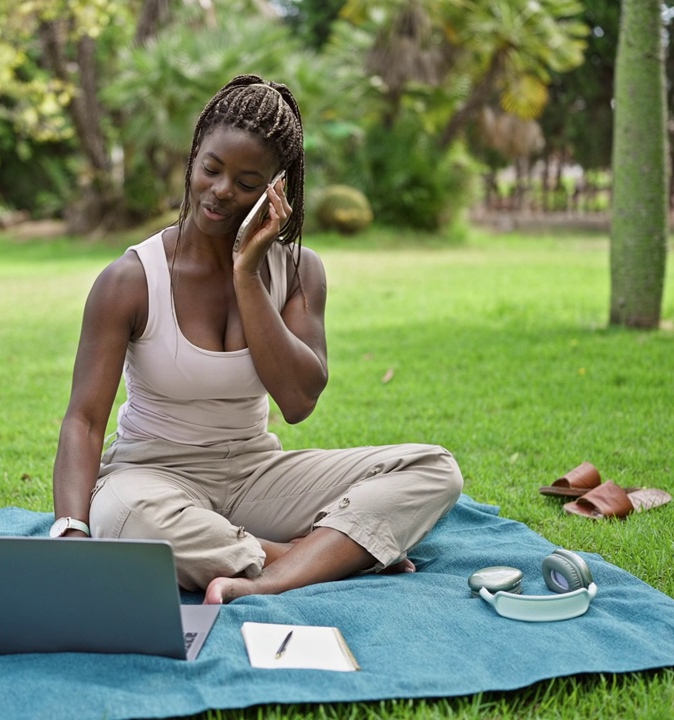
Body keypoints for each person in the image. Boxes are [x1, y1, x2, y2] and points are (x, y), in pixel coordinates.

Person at [51, 74, 463, 605]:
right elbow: (84, 421)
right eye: (212, 169)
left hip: (256, 475)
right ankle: (306, 558)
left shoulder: (297, 270)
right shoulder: (130, 279)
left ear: (278, 189)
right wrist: (71, 529)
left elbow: (298, 401)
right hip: (153, 476)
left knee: (433, 469)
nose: (222, 192)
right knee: (124, 518)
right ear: (192, 159)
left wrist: (247, 276)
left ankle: (266, 567)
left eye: (247, 183)